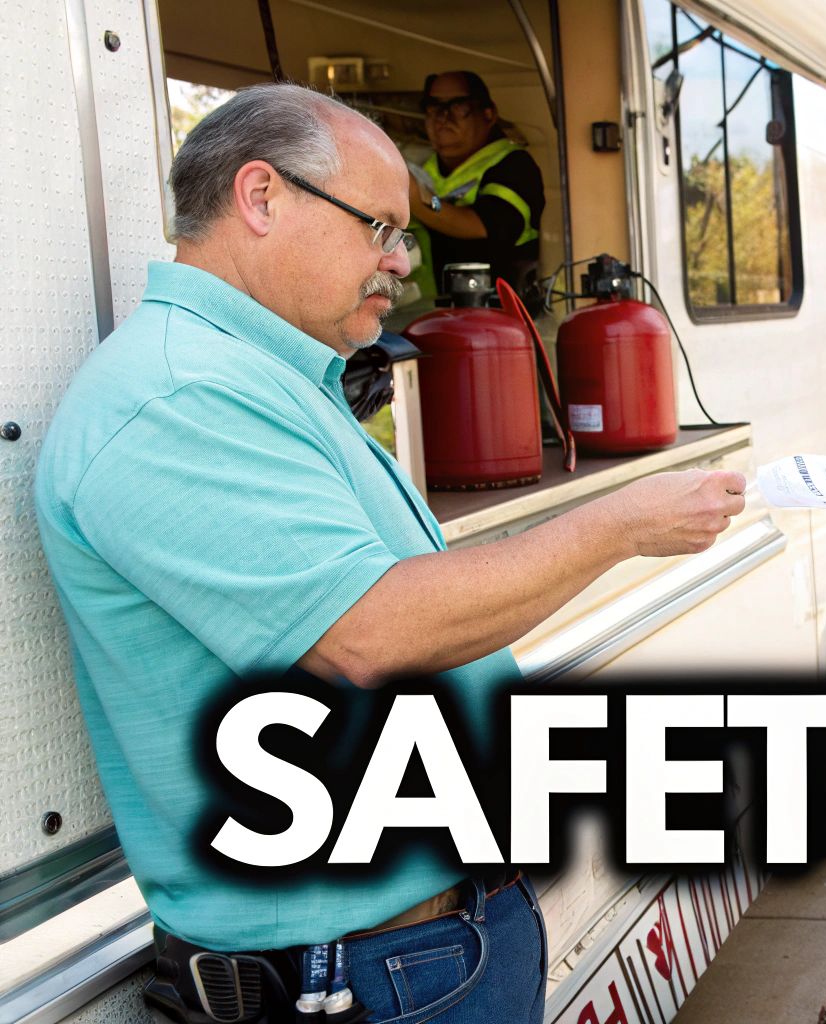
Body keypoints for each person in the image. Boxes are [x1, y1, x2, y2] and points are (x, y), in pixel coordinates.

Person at [33, 83, 743, 1023]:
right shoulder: (173, 399)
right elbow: (370, 631)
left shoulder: (262, 376)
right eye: (380, 228)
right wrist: (617, 526)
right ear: (261, 196)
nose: (402, 265)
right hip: (370, 971)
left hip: (430, 939)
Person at [406, 70, 544, 300]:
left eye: (459, 106)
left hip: (495, 312)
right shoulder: (422, 166)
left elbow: (480, 225)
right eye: (433, 107)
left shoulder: (514, 165)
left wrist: (419, 201)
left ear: (488, 115)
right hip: (424, 308)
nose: (443, 117)